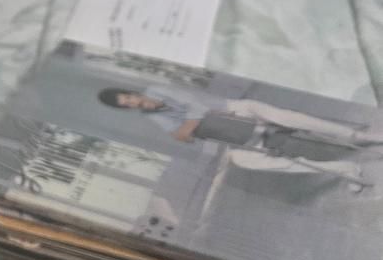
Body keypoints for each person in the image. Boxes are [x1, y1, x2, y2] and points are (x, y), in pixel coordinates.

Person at [99, 86, 383, 187]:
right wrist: (189, 125)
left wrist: (188, 124)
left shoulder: (157, 88)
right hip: (228, 133)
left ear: (133, 92)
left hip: (234, 110)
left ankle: (356, 135)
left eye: (129, 97)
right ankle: (346, 169)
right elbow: (184, 136)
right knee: (243, 161)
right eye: (127, 105)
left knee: (288, 118)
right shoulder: (152, 117)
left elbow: (198, 109)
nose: (134, 103)